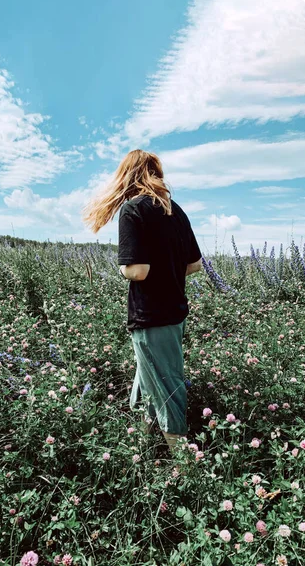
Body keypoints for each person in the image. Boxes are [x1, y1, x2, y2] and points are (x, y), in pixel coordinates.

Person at [82, 149, 202, 453]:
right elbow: (195, 265)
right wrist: (169, 268)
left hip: (151, 316)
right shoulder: (175, 210)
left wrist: (122, 266)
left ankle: (185, 466)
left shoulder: (134, 209)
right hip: (175, 312)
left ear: (127, 176)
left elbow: (137, 271)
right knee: (148, 382)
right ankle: (141, 451)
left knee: (166, 388)